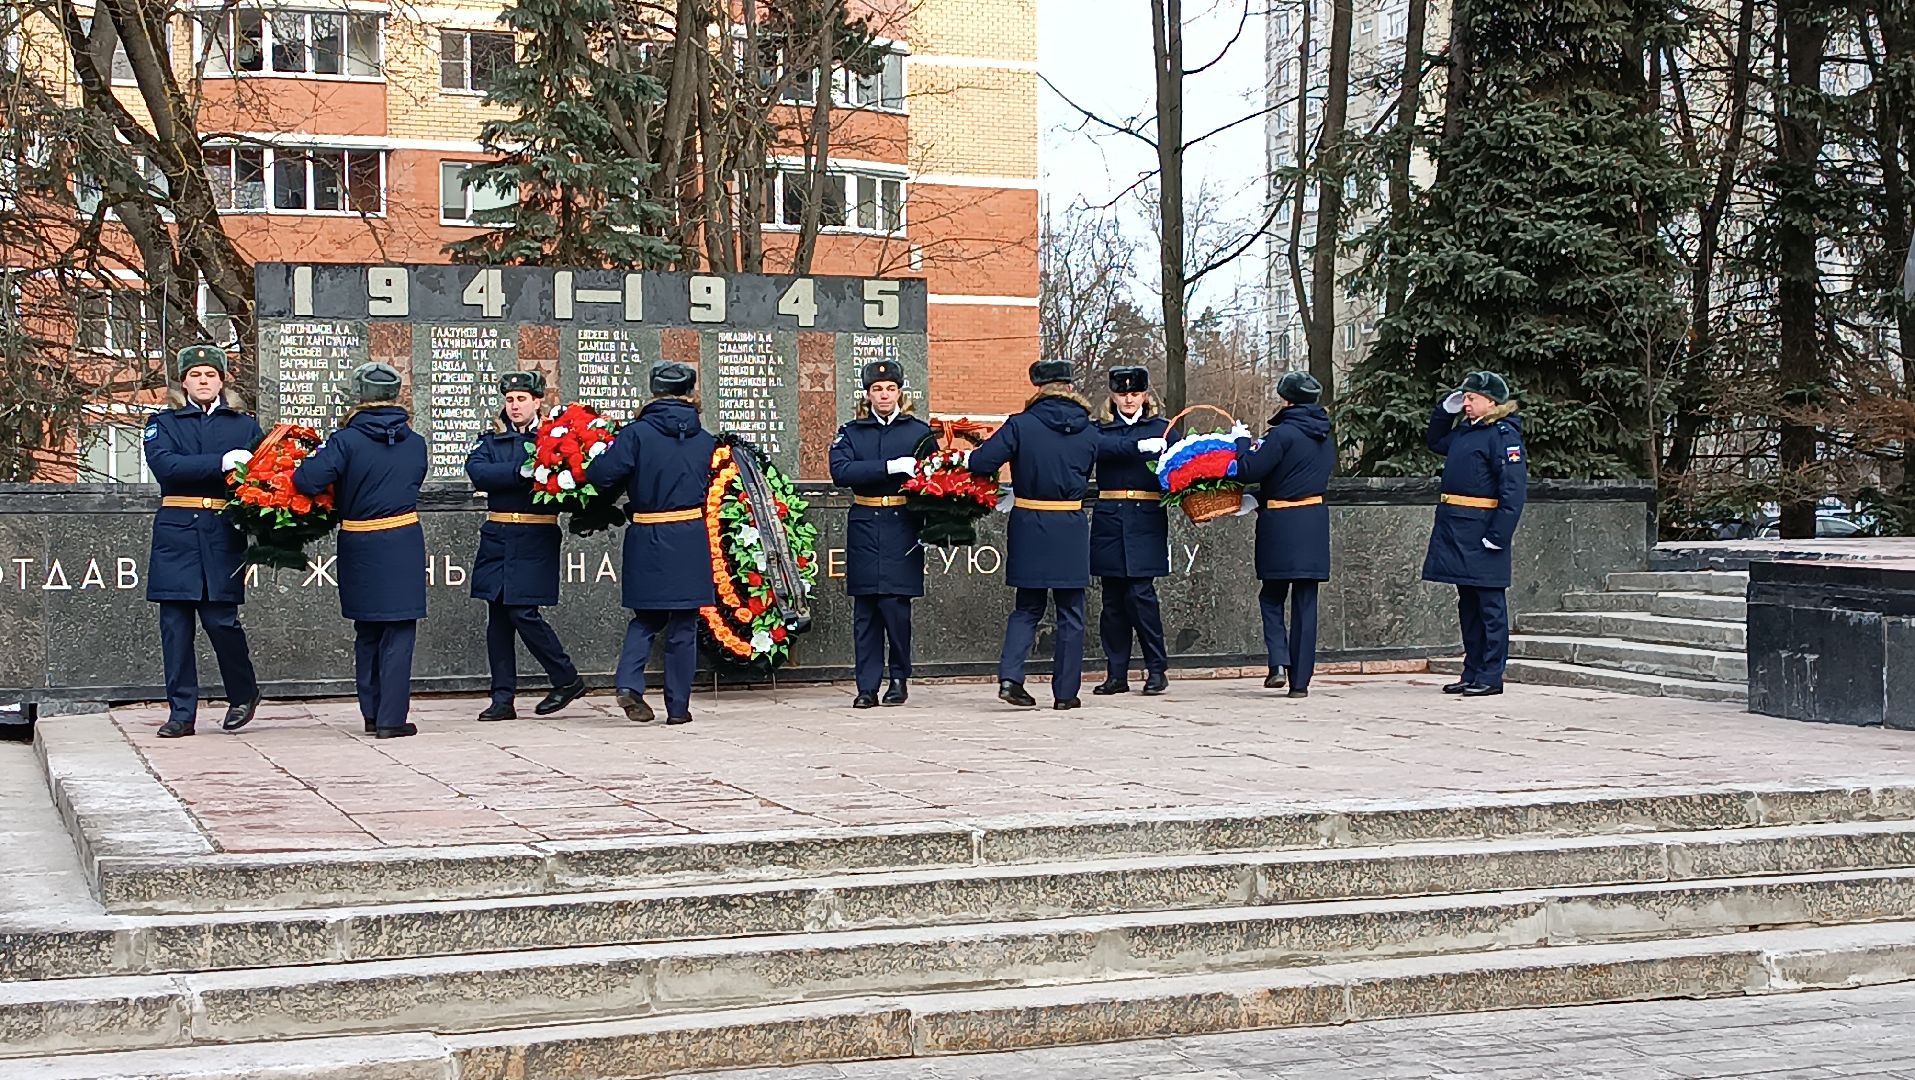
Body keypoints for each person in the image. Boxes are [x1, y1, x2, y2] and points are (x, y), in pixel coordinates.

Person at [293, 363, 429, 738]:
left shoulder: (345, 441)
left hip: (359, 540)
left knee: (367, 630)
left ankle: (372, 713)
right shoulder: (416, 442)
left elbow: (306, 480)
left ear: (359, 396)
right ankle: (392, 718)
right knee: (399, 631)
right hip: (402, 539)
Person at [143, 344, 265, 739]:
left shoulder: (244, 426)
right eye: (195, 375)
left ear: (222, 380)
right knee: (175, 628)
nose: (203, 381)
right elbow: (167, 467)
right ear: (183, 382)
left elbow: (262, 476)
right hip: (177, 534)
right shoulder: (164, 423)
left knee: (222, 622)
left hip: (221, 532)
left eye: (210, 375)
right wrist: (220, 463)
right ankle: (181, 713)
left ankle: (243, 694)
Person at [585, 361, 716, 726]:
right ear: (690, 393)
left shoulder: (637, 434)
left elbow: (601, 475)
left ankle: (629, 683)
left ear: (654, 392)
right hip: (689, 535)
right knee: (684, 624)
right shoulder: (705, 439)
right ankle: (678, 708)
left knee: (645, 618)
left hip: (649, 533)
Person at [968, 359, 1101, 710]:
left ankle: (1011, 678)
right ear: (1070, 388)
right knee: (1071, 612)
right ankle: (1066, 694)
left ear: (1039, 389)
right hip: (1070, 525)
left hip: (1029, 522)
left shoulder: (1020, 425)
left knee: (1027, 607)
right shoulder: (1088, 430)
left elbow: (981, 463)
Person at [465, 371, 586, 722]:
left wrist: (518, 473)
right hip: (498, 535)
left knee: (522, 611)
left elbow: (565, 476)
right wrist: (522, 472)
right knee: (498, 619)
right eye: (509, 400)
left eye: (521, 399)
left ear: (537, 402)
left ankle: (566, 677)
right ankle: (502, 698)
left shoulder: (554, 438)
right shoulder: (493, 439)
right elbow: (478, 472)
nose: (514, 406)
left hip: (535, 535)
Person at [828, 359, 936, 709]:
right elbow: (841, 471)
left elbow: (935, 480)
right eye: (877, 389)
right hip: (865, 521)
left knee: (895, 607)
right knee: (866, 610)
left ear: (900, 392)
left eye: (891, 388)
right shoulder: (852, 432)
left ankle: (899, 677)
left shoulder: (918, 432)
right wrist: (890, 467)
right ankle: (867, 686)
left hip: (903, 523)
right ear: (868, 394)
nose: (884, 395)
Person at [1423, 370, 1528, 698]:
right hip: (1457, 528)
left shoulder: (1502, 435)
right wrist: (1446, 409)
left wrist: (1498, 535)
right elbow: (1435, 441)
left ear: (1491, 402)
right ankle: (1472, 670)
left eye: (1471, 398)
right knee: (1468, 605)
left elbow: (1513, 491)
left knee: (1490, 607)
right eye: (1464, 398)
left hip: (1483, 530)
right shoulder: (1467, 431)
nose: (1465, 403)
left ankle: (1491, 675)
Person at [1235, 371, 1335, 697]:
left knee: (1271, 596)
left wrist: (1240, 442)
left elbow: (1249, 469)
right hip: (1314, 522)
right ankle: (1300, 683)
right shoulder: (1325, 435)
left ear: (1287, 400)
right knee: (1306, 603)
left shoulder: (1282, 434)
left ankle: (1278, 662)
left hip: (1281, 524)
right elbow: (1298, 478)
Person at [1090, 366, 1171, 696]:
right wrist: (1137, 446)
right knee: (1112, 602)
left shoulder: (1162, 429)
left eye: (1135, 393)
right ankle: (1117, 673)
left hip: (1145, 517)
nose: (1128, 399)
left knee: (1141, 597)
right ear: (1112, 396)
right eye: (1122, 394)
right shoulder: (1100, 429)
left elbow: (1182, 465)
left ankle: (1156, 669)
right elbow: (1097, 447)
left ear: (1145, 396)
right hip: (1110, 517)